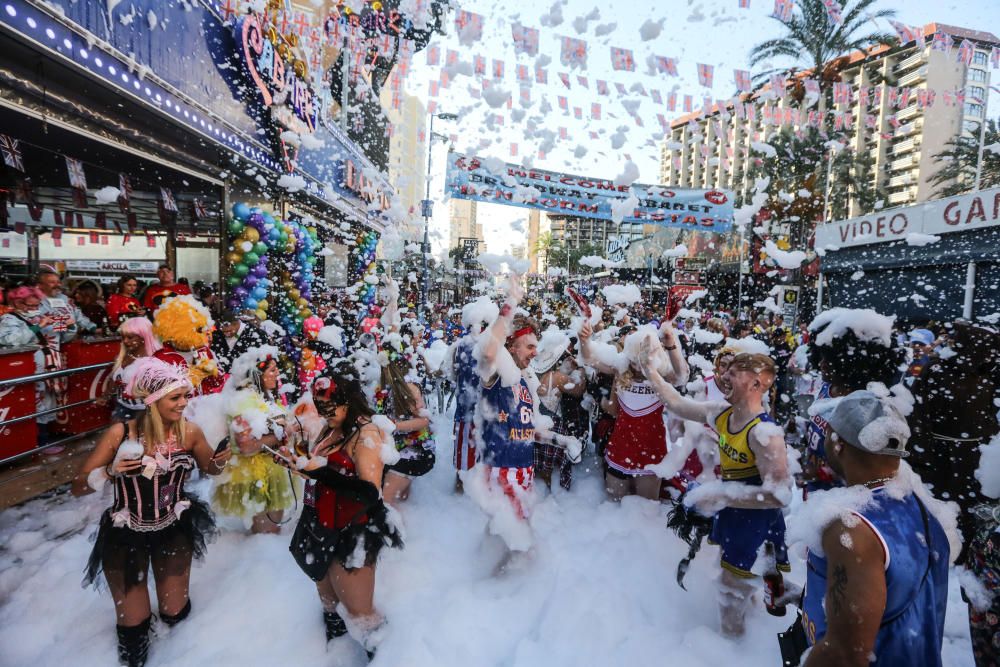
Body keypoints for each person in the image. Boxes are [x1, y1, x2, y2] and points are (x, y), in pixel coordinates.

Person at [70, 357, 230, 667]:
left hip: (173, 529)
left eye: (186, 395)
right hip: (126, 534)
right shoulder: (121, 434)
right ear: (154, 401)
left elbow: (212, 468)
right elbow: (78, 486)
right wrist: (110, 472)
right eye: (176, 397)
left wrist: (224, 457)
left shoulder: (190, 433)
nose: (184, 403)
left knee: (174, 613)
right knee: (133, 631)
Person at [797, 390, 952, 666]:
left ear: (838, 444)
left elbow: (845, 654)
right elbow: (893, 592)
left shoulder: (851, 528)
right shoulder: (921, 505)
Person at [642, 350, 791, 638]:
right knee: (739, 583)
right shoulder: (722, 413)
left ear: (757, 383)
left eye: (734, 373)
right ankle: (745, 633)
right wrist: (651, 373)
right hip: (735, 514)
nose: (723, 377)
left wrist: (721, 495)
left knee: (731, 589)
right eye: (725, 371)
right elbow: (679, 404)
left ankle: (733, 648)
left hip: (757, 523)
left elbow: (780, 495)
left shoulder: (765, 433)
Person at [283, 368, 402, 658]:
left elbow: (369, 493)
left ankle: (383, 657)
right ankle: (335, 653)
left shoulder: (366, 433)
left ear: (347, 400)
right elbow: (323, 472)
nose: (324, 413)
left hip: (352, 530)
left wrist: (321, 473)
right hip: (320, 524)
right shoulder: (331, 427)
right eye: (319, 407)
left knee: (361, 613)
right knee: (329, 602)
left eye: (328, 406)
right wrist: (301, 466)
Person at [908, 321, 1000, 563]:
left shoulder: (987, 374)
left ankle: (962, 549)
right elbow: (919, 412)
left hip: (970, 455)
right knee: (941, 505)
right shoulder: (939, 371)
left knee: (965, 507)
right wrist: (921, 452)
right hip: (944, 453)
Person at [578, 319, 689, 501]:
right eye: (634, 358)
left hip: (651, 448)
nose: (639, 364)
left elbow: (682, 377)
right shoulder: (621, 369)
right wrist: (584, 341)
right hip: (621, 447)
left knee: (645, 511)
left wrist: (671, 344)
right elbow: (590, 359)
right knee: (615, 507)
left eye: (643, 357)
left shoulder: (661, 374)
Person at [802, 308, 905, 498]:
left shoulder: (869, 407)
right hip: (814, 497)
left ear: (854, 362)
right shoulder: (827, 387)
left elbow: (872, 469)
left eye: (831, 359)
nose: (823, 363)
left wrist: (827, 473)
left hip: (845, 502)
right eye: (822, 355)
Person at [212, 347, 298, 534]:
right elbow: (246, 446)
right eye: (272, 370)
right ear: (256, 374)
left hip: (270, 469)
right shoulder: (244, 400)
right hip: (255, 474)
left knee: (271, 532)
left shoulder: (263, 396)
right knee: (266, 533)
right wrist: (282, 433)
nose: (277, 374)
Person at [375, 337, 435, 506]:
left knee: (385, 500)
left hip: (416, 452)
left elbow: (424, 420)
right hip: (400, 447)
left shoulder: (409, 387)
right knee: (395, 496)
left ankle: (395, 529)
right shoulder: (386, 387)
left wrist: (394, 425)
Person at [448, 296, 497, 493]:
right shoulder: (492, 345)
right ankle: (477, 488)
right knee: (484, 451)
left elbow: (452, 373)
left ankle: (461, 486)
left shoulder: (459, 345)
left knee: (464, 453)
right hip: (485, 409)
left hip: (465, 408)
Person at [0, 285, 60, 442]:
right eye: (30, 305)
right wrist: (37, 327)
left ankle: (45, 438)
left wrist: (68, 325)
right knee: (35, 403)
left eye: (37, 305)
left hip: (47, 367)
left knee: (47, 401)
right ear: (18, 303)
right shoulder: (9, 319)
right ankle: (39, 440)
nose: (35, 309)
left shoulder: (39, 316)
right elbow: (12, 340)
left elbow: (59, 335)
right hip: (27, 369)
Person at [531, 329, 585, 490]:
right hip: (551, 423)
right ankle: (550, 489)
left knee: (534, 464)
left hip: (534, 419)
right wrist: (581, 369)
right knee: (548, 470)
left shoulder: (532, 372)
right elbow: (579, 389)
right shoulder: (556, 377)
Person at [152, 295, 225, 395]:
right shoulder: (161, 357)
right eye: (198, 330)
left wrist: (213, 372)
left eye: (202, 329)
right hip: (176, 409)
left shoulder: (203, 350)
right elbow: (157, 393)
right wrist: (189, 379)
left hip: (202, 406)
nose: (204, 336)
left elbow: (218, 382)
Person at [98, 317, 162, 423]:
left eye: (130, 337)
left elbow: (166, 390)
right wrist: (106, 396)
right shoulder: (122, 357)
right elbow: (114, 380)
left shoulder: (155, 360)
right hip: (121, 408)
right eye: (123, 337)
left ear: (143, 336)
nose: (125, 341)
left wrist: (148, 408)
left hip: (146, 412)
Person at [209, 310, 269, 375]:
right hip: (222, 381)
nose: (225, 333)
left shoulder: (257, 335)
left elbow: (262, 361)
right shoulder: (216, 336)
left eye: (228, 331)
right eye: (222, 330)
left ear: (236, 323)